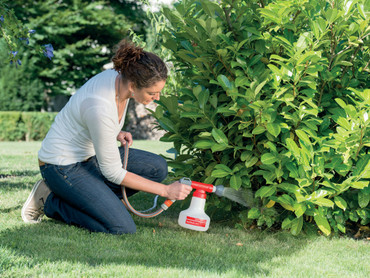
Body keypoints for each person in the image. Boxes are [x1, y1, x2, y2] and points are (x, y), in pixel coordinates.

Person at [21, 40, 192, 234]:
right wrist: (166, 191)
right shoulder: (99, 105)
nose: (157, 97)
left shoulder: (120, 81)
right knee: (121, 227)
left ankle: (96, 200)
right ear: (133, 86)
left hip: (89, 159)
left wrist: (114, 131)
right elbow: (113, 172)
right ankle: (51, 201)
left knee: (157, 167)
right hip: (60, 166)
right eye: (153, 93)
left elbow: (90, 121)